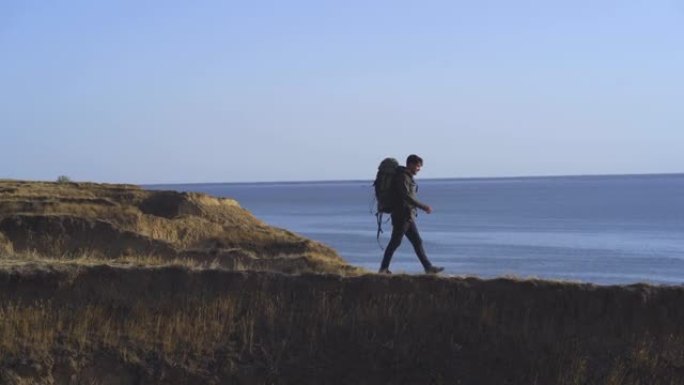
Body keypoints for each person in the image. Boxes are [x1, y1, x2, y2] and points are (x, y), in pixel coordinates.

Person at [379, 154, 444, 275]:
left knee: (417, 241)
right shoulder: (402, 176)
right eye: (418, 166)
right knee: (395, 242)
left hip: (407, 216)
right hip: (401, 215)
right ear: (410, 164)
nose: (419, 169)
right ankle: (383, 269)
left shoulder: (407, 177)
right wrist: (423, 206)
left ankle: (428, 268)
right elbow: (406, 196)